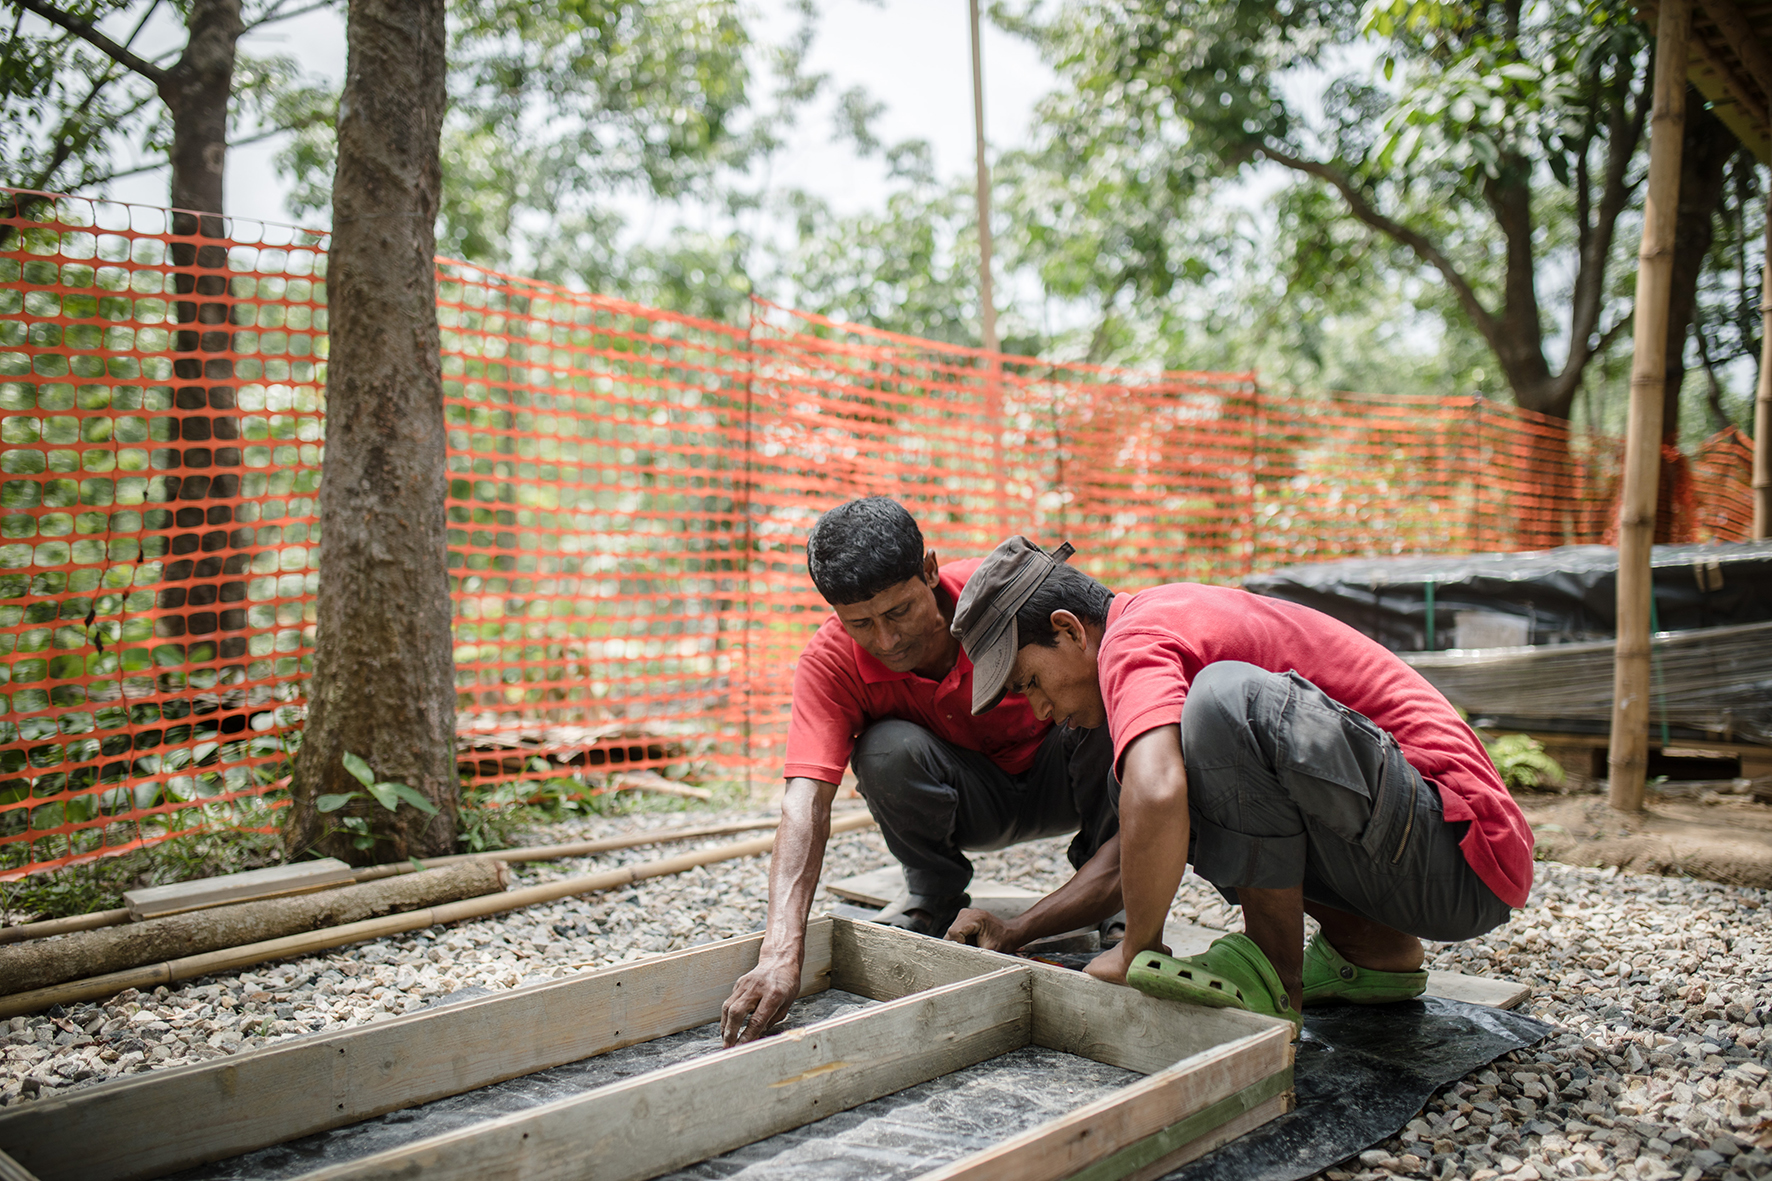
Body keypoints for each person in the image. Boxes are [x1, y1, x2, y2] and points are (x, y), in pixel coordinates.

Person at [945, 536, 1533, 1027]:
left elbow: (1158, 793)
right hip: (1440, 860)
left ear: (1069, 630)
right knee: (1153, 780)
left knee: (1223, 703)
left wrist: (1135, 950)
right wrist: (1017, 929)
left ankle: (1275, 975)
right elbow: (1141, 834)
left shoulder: (1134, 639)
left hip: (1457, 850)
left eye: (1029, 681)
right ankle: (1374, 951)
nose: (1040, 709)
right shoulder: (1156, 623)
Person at [719, 500, 1119, 1046]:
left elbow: (1108, 653)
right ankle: (933, 894)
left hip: (1066, 778)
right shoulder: (829, 662)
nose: (886, 641)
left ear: (929, 570)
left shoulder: (1004, 597)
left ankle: (1116, 893)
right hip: (975, 803)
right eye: (860, 623)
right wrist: (781, 951)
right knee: (885, 749)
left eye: (900, 611)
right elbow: (803, 801)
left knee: (1102, 706)